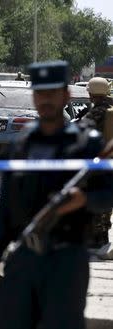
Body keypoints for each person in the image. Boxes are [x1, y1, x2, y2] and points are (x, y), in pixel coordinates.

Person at [0, 61, 113, 329]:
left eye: (52, 93)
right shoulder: (21, 144)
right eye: (40, 93)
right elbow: (5, 207)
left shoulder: (86, 144)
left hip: (67, 261)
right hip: (24, 258)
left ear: (65, 96)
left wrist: (84, 200)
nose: (46, 100)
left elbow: (108, 193)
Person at [78, 77, 113, 249]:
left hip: (98, 165)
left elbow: (80, 131)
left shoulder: (97, 112)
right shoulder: (111, 109)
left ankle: (94, 240)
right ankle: (102, 239)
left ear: (92, 94)